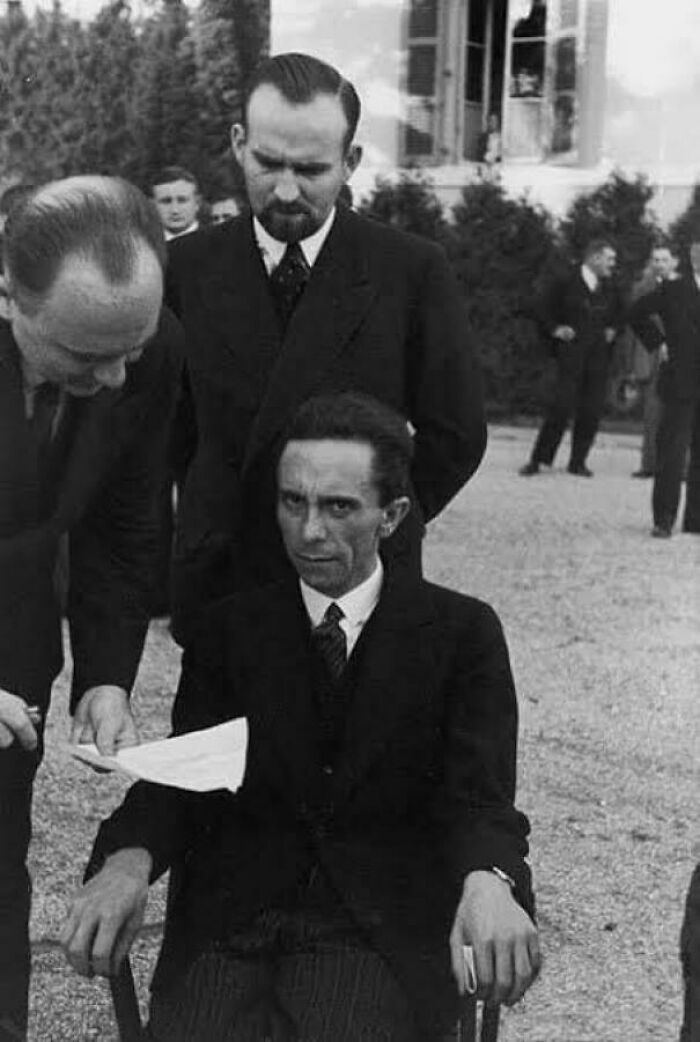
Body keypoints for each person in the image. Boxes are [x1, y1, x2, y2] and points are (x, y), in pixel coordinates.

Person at [62, 392, 540, 1042]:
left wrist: (492, 881)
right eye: (294, 502)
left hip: (375, 932)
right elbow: (187, 775)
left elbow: (480, 801)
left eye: (339, 507)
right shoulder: (231, 629)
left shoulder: (460, 634)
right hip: (234, 924)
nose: (310, 530)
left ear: (391, 515)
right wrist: (126, 859)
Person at [166, 51, 487, 640]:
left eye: (311, 170)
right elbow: (165, 433)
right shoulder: (183, 268)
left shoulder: (410, 270)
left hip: (360, 587)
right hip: (223, 584)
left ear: (351, 162)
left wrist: (368, 518)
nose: (286, 190)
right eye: (267, 163)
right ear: (239, 143)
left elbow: (457, 432)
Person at [0, 175, 182, 1041]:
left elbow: (124, 520)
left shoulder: (141, 344)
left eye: (130, 351)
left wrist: (106, 673)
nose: (114, 377)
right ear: (9, 294)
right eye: (83, 356)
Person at [520, 238, 621, 478]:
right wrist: (555, 329)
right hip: (571, 355)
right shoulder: (565, 281)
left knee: (591, 409)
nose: (612, 264)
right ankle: (539, 459)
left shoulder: (611, 286)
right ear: (594, 257)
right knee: (561, 406)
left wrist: (614, 328)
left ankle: (578, 461)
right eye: (609, 259)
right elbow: (538, 307)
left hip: (598, 357)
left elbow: (621, 312)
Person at [629, 235, 700, 538]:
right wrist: (659, 343)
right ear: (694, 255)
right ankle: (664, 519)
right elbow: (635, 313)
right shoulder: (673, 289)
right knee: (672, 451)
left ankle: (696, 521)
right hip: (680, 381)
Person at [628, 244, 679, 479]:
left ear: (674, 262)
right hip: (652, 357)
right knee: (652, 413)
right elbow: (634, 326)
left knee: (680, 415)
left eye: (664, 259)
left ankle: (679, 467)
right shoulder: (641, 289)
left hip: (682, 359)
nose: (659, 263)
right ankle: (649, 465)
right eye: (655, 259)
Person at [151, 166, 200, 240]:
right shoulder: (141, 246)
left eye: (182, 200)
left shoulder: (218, 243)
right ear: (153, 206)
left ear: (197, 203)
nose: (175, 210)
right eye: (166, 202)